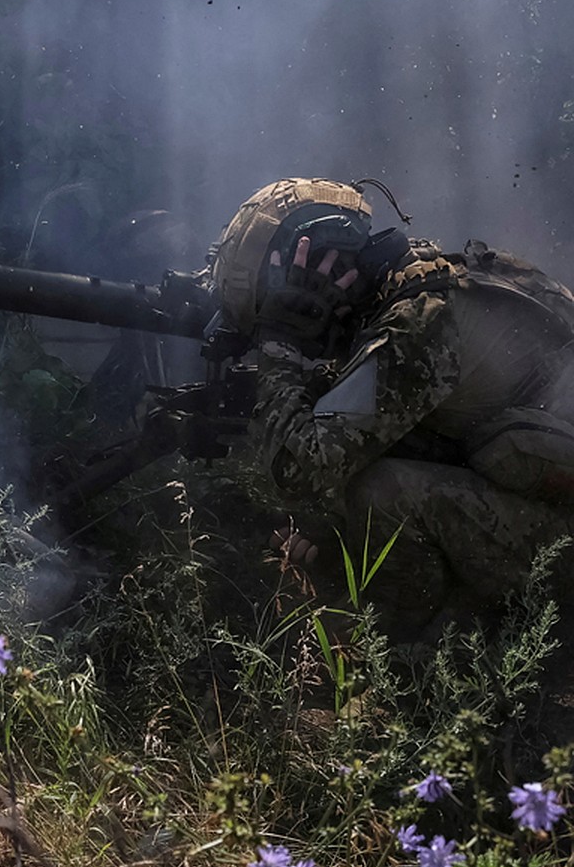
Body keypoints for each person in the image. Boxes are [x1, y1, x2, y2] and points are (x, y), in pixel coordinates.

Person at [209, 178, 574, 634]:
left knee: (384, 492)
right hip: (548, 513)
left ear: (321, 263)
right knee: (363, 473)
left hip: (561, 555)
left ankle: (409, 656)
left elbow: (299, 469)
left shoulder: (420, 323)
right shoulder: (424, 282)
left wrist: (280, 348)